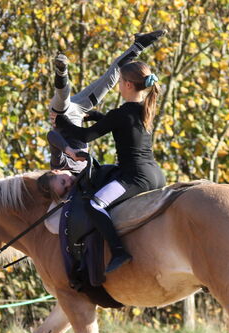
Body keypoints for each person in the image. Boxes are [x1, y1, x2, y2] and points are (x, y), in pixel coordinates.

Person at [54, 61, 165, 273]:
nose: (119, 86)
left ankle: (119, 251)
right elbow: (123, 128)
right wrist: (97, 116)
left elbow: (85, 136)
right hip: (156, 175)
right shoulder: (145, 109)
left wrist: (62, 121)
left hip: (135, 177)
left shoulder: (121, 113)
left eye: (120, 82)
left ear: (128, 85)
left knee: (94, 204)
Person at [48, 30, 166, 173]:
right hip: (76, 114)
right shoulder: (140, 112)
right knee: (108, 80)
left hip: (66, 116)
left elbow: (78, 135)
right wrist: (93, 115)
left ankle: (62, 72)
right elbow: (118, 124)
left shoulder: (140, 111)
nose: (65, 182)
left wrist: (63, 121)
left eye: (121, 82)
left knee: (64, 98)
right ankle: (139, 45)